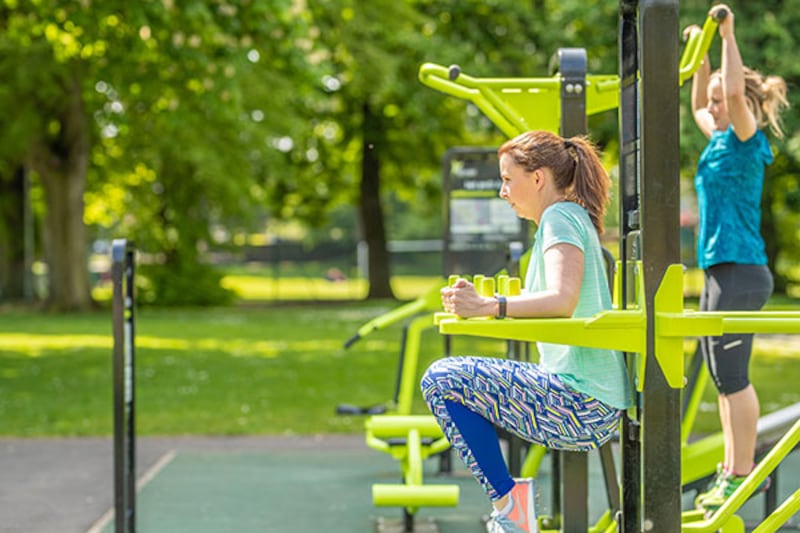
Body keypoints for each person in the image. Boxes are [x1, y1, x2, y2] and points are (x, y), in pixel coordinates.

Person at [420, 130, 632, 533]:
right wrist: (483, 302)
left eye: (507, 179)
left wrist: (488, 307)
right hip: (584, 396)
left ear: (537, 179)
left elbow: (562, 299)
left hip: (581, 402)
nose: (502, 192)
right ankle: (510, 505)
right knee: (450, 382)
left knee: (441, 380)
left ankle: (511, 506)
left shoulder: (560, 217)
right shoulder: (564, 218)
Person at [683, 3, 790, 514]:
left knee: (734, 375)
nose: (714, 106)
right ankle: (730, 469)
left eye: (722, 99)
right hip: (718, 269)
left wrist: (725, 35)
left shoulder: (747, 140)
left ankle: (742, 469)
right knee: (720, 377)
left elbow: (724, 92)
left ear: (740, 101)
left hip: (743, 269)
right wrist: (699, 55)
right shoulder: (719, 141)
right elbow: (698, 106)